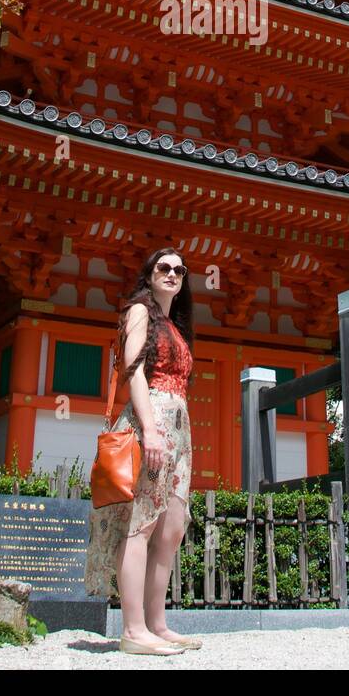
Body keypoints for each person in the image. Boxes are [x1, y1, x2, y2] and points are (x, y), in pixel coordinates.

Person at [84, 246, 201, 655]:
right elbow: (132, 370)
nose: (172, 274)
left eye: (179, 270)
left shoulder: (176, 325)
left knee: (170, 528)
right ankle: (133, 629)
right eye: (163, 268)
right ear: (149, 275)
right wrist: (149, 428)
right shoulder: (139, 312)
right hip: (150, 422)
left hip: (180, 428)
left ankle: (157, 623)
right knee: (142, 524)